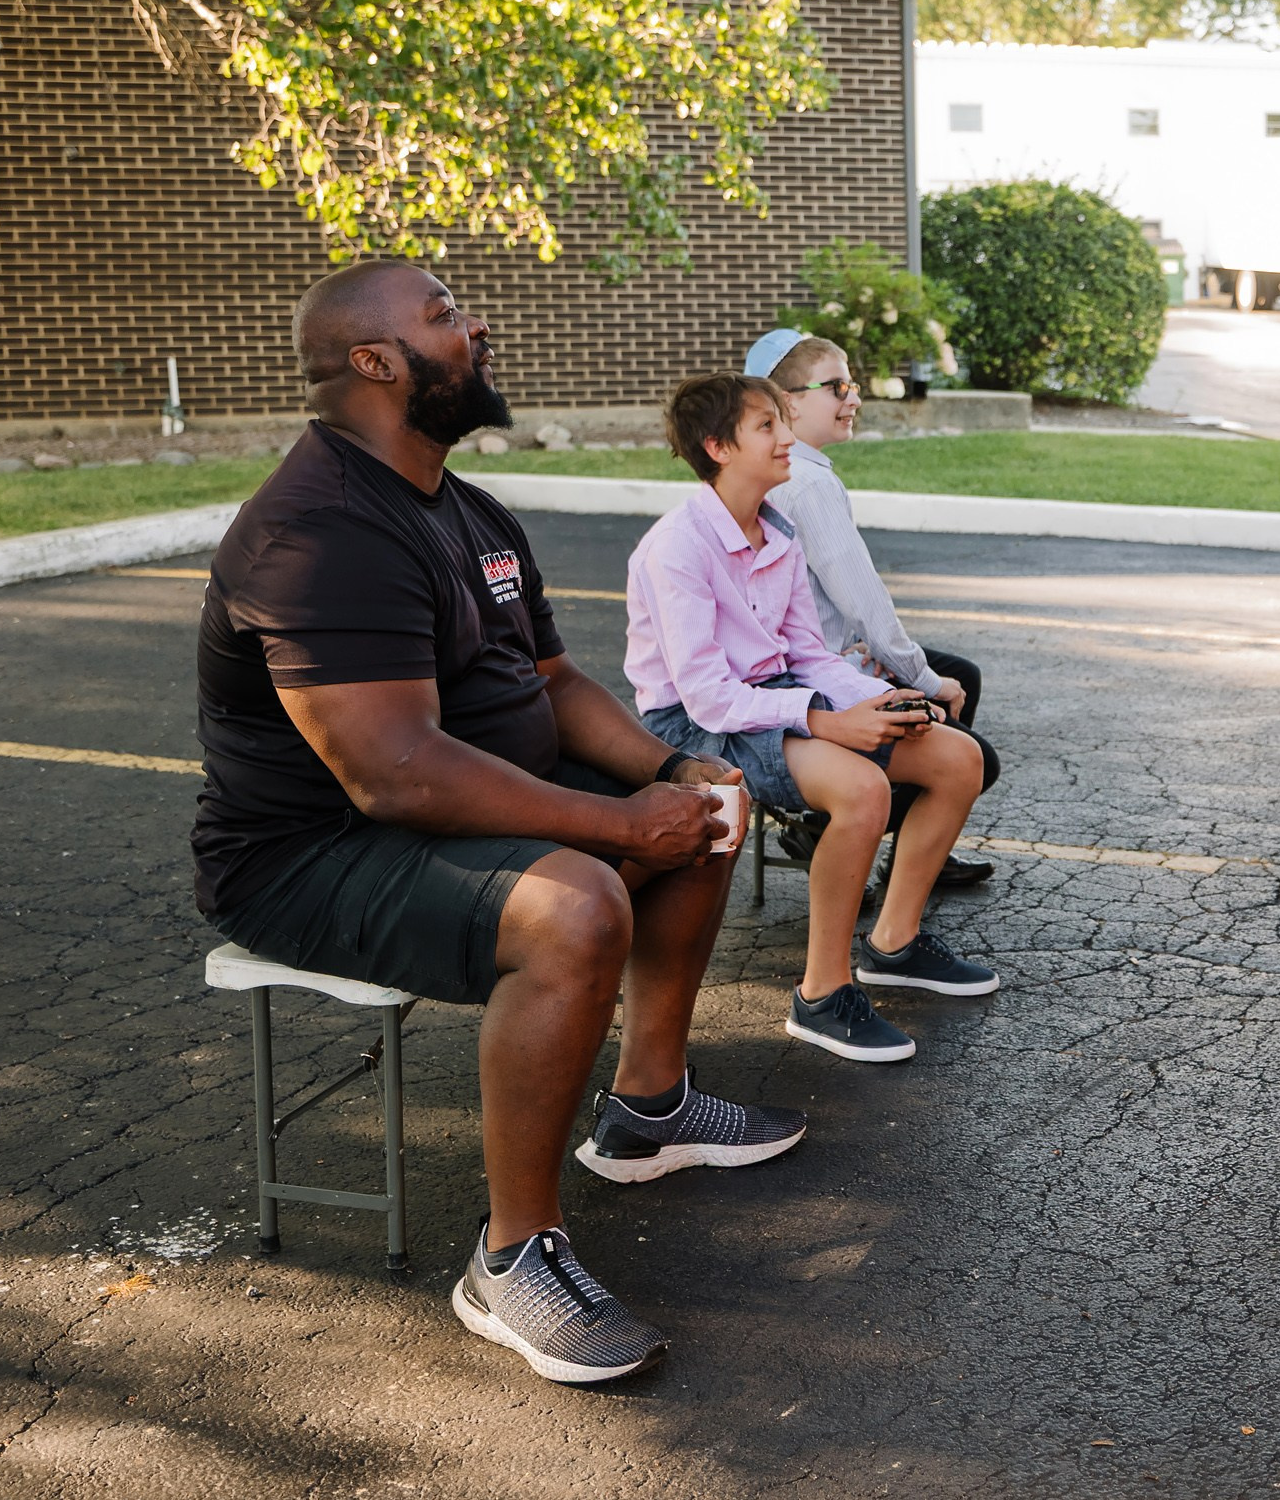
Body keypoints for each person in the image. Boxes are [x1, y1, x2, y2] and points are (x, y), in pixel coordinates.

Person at [194, 262, 797, 1388]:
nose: (475, 325)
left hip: (439, 804)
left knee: (707, 805)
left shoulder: (464, 507)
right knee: (576, 906)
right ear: (375, 364)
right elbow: (399, 776)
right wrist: (614, 822)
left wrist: (671, 768)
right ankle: (513, 1256)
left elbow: (554, 683)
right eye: (440, 317)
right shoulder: (317, 530)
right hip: (308, 857)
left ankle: (648, 1109)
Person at [625, 372, 1001, 1071]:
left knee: (958, 758)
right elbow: (708, 697)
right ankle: (822, 994)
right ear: (717, 446)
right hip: (693, 722)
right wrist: (828, 726)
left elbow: (805, 651)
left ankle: (894, 942)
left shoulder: (777, 530)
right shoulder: (676, 547)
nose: (787, 437)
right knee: (863, 789)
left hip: (773, 691)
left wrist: (871, 699)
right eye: (766, 426)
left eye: (782, 422)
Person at [747, 330, 999, 890]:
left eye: (852, 384)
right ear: (789, 401)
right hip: (812, 676)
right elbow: (863, 602)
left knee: (963, 676)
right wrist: (923, 679)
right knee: (969, 729)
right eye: (836, 387)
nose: (853, 398)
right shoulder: (807, 483)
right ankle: (885, 845)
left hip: (811, 659)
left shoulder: (785, 470)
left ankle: (914, 848)